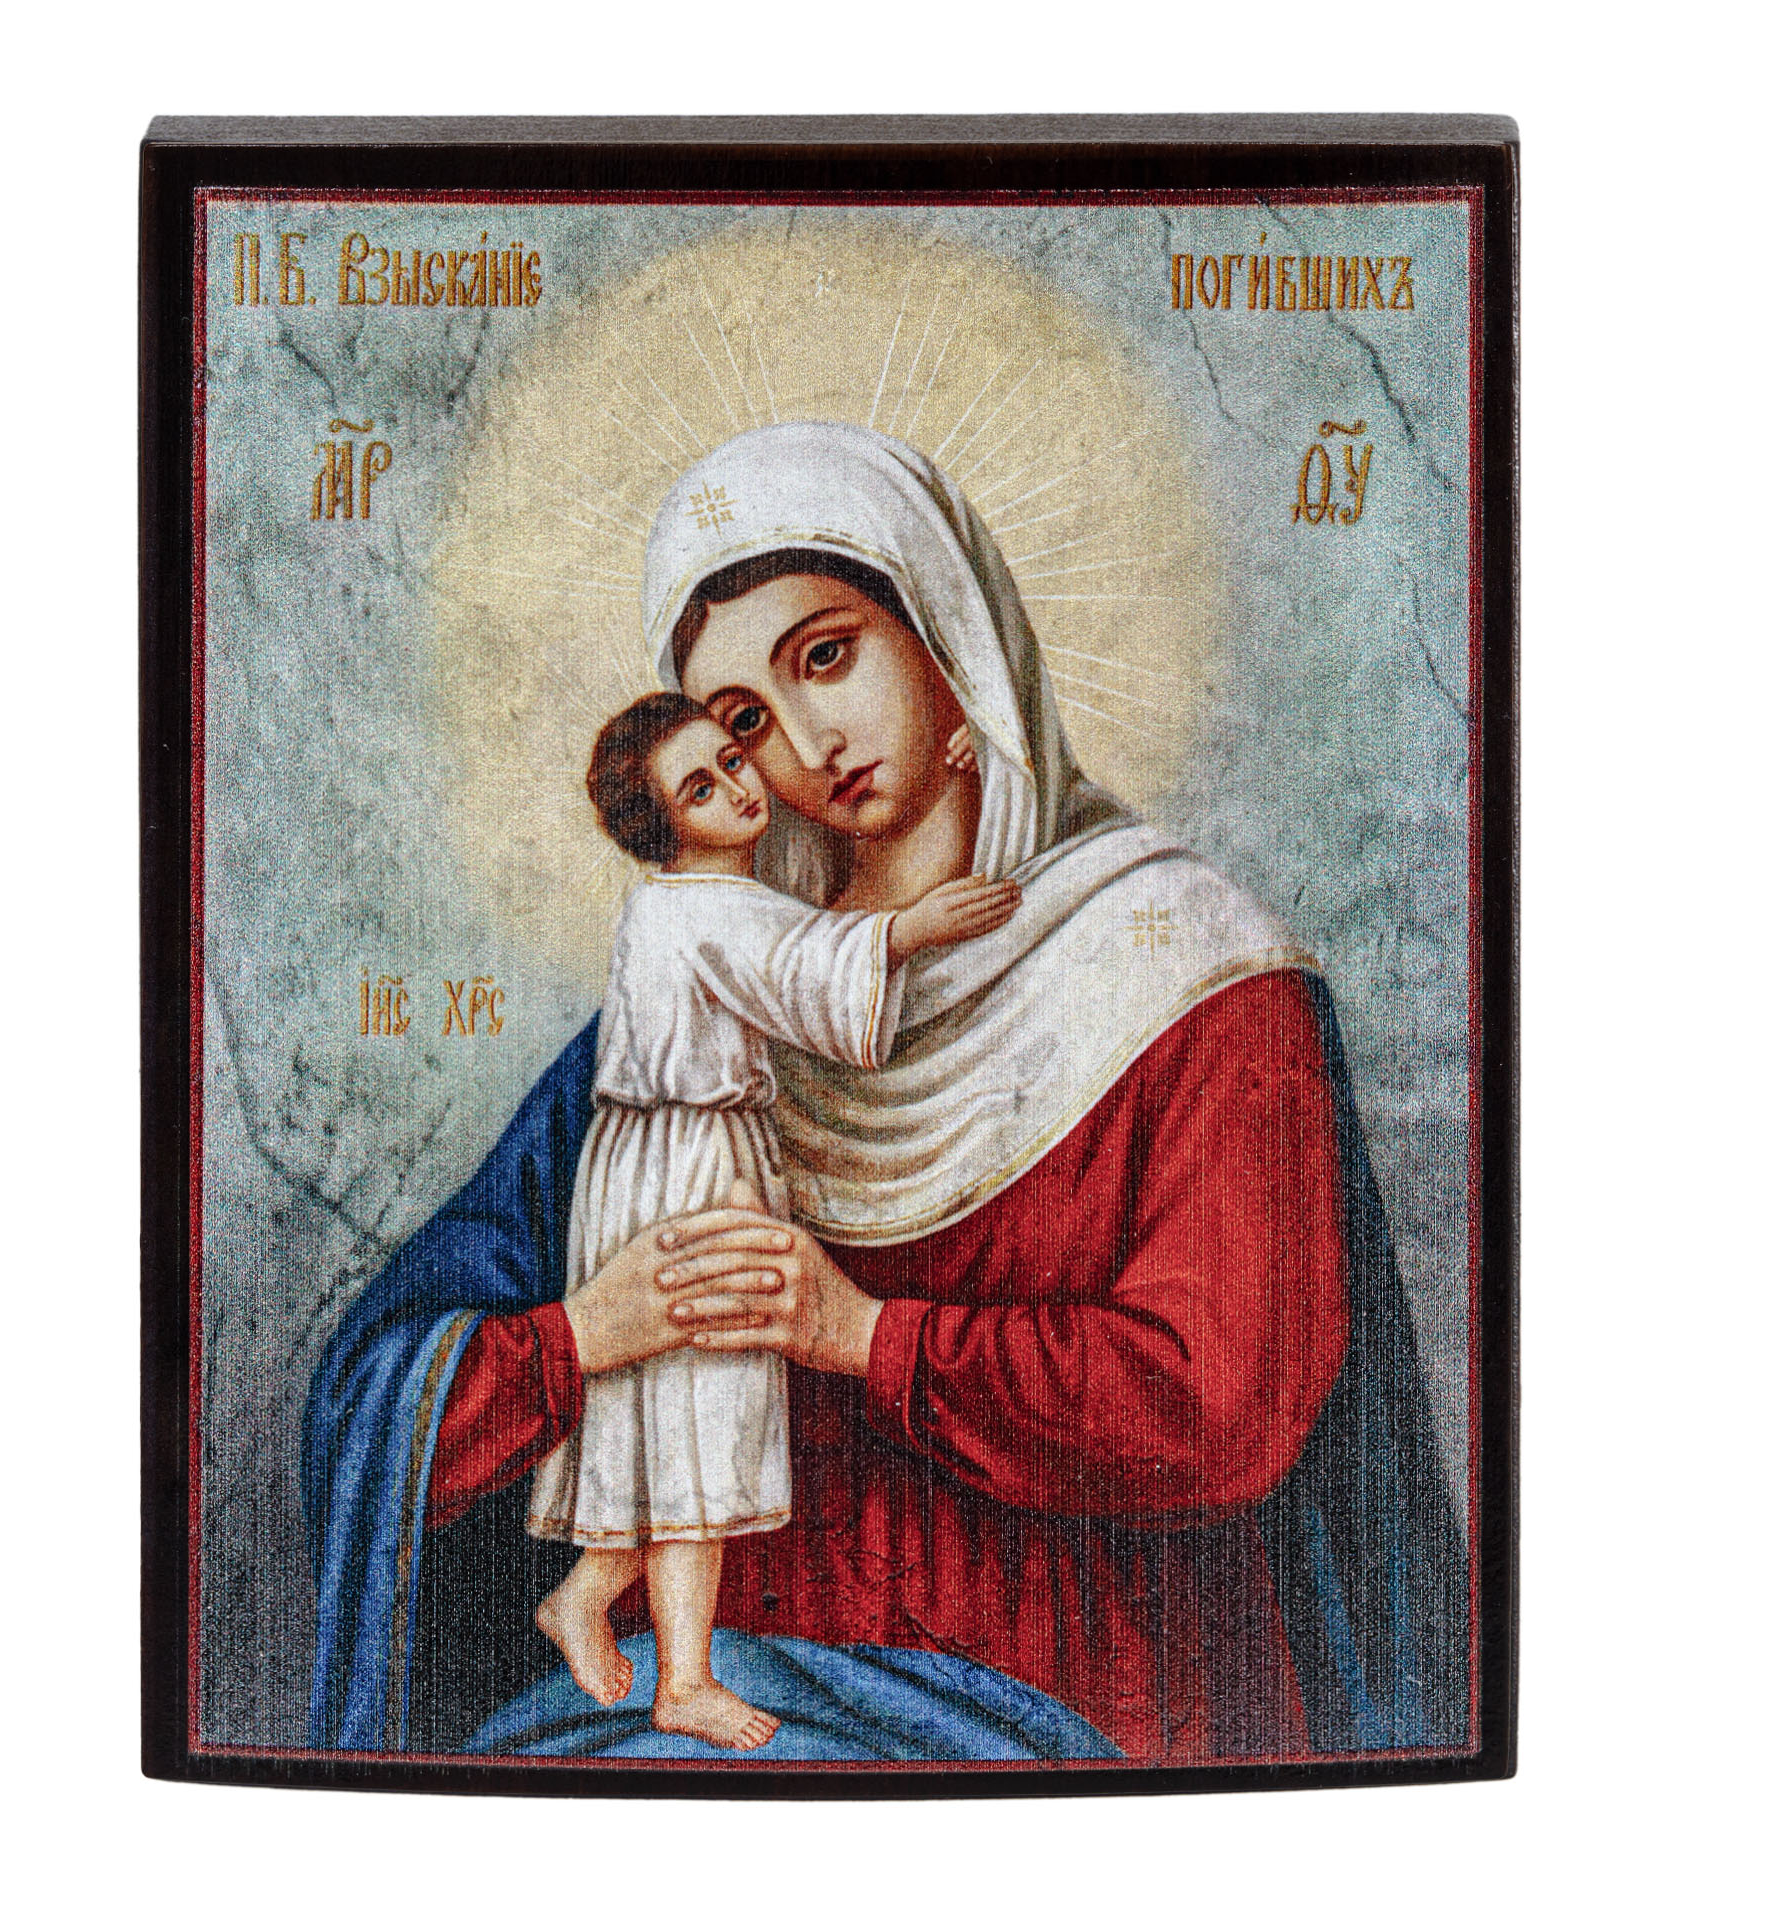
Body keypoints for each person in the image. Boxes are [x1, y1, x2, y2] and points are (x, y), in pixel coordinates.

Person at [304, 420, 1470, 1761]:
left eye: (826, 654)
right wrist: (581, 1337)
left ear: (942, 622)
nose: (808, 741)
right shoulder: (700, 1029)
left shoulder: (1197, 980)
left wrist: (865, 1337)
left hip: (1058, 1733)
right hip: (694, 1721)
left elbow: (1221, 1409)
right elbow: (379, 1402)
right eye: (745, 722)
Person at [526, 690, 1018, 1748]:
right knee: (697, 1415)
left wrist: (961, 786)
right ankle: (684, 1683)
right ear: (665, 825)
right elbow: (803, 965)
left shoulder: (696, 897)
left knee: (668, 1418)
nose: (740, 786)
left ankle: (583, 1597)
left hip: (674, 1161)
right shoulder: (703, 907)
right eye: (701, 788)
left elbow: (803, 933)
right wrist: (910, 931)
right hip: (689, 1169)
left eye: (732, 759)